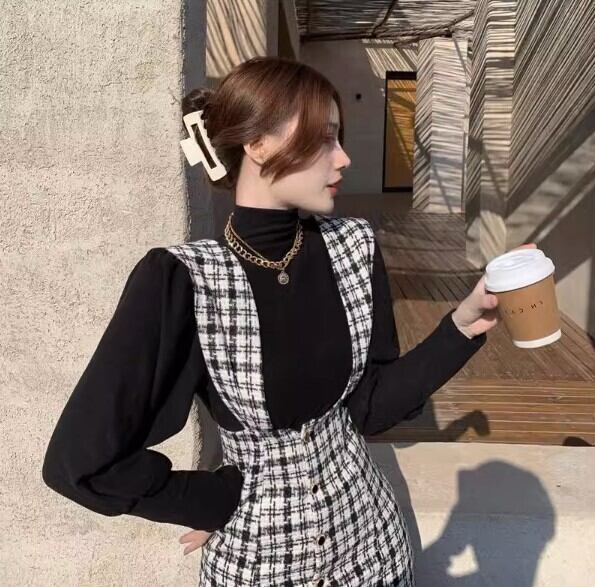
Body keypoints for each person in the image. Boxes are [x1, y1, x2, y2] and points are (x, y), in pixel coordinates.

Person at [42, 56, 519, 586]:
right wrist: (208, 500)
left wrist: (462, 326)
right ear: (258, 144)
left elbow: (369, 408)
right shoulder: (185, 280)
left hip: (375, 548)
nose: (343, 158)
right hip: (261, 562)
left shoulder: (353, 247)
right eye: (324, 138)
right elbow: (79, 463)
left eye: (339, 138)